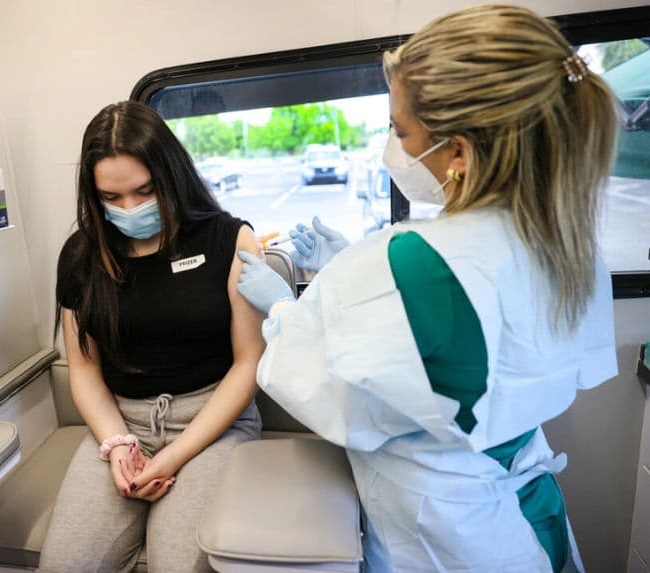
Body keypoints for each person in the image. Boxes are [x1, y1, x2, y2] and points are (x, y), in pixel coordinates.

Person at [236, 5, 618, 572]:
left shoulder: (408, 261)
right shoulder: (571, 245)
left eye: (400, 129)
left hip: (448, 532)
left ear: (459, 152)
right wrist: (349, 273)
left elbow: (335, 397)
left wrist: (286, 310)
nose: (393, 145)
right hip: (531, 512)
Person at [38, 101, 264, 573]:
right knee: (64, 565)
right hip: (122, 424)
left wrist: (173, 456)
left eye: (144, 192)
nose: (130, 209)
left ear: (171, 175)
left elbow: (249, 364)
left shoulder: (229, 239)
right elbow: (84, 368)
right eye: (112, 198)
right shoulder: (80, 255)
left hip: (212, 422)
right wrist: (117, 443)